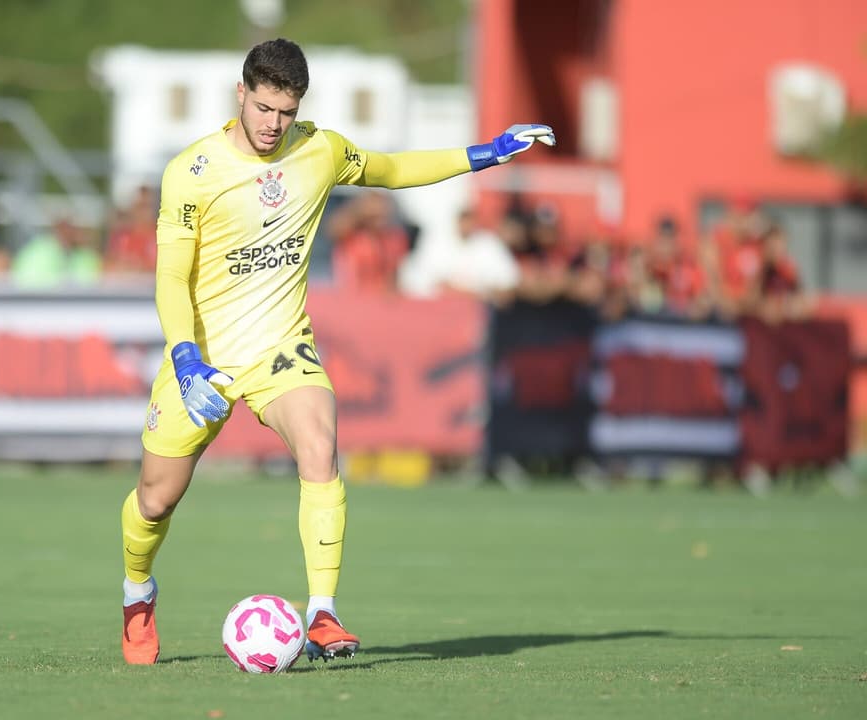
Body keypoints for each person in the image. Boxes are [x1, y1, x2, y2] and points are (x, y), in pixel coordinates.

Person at [118, 37, 554, 665]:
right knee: (155, 500)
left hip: (281, 350)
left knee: (321, 449)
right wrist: (185, 356)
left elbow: (394, 170)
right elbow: (170, 277)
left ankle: (322, 613)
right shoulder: (192, 171)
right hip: (204, 357)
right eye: (264, 108)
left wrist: (485, 153)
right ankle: (137, 592)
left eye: (286, 112)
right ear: (241, 94)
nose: (273, 125)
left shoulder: (320, 151)